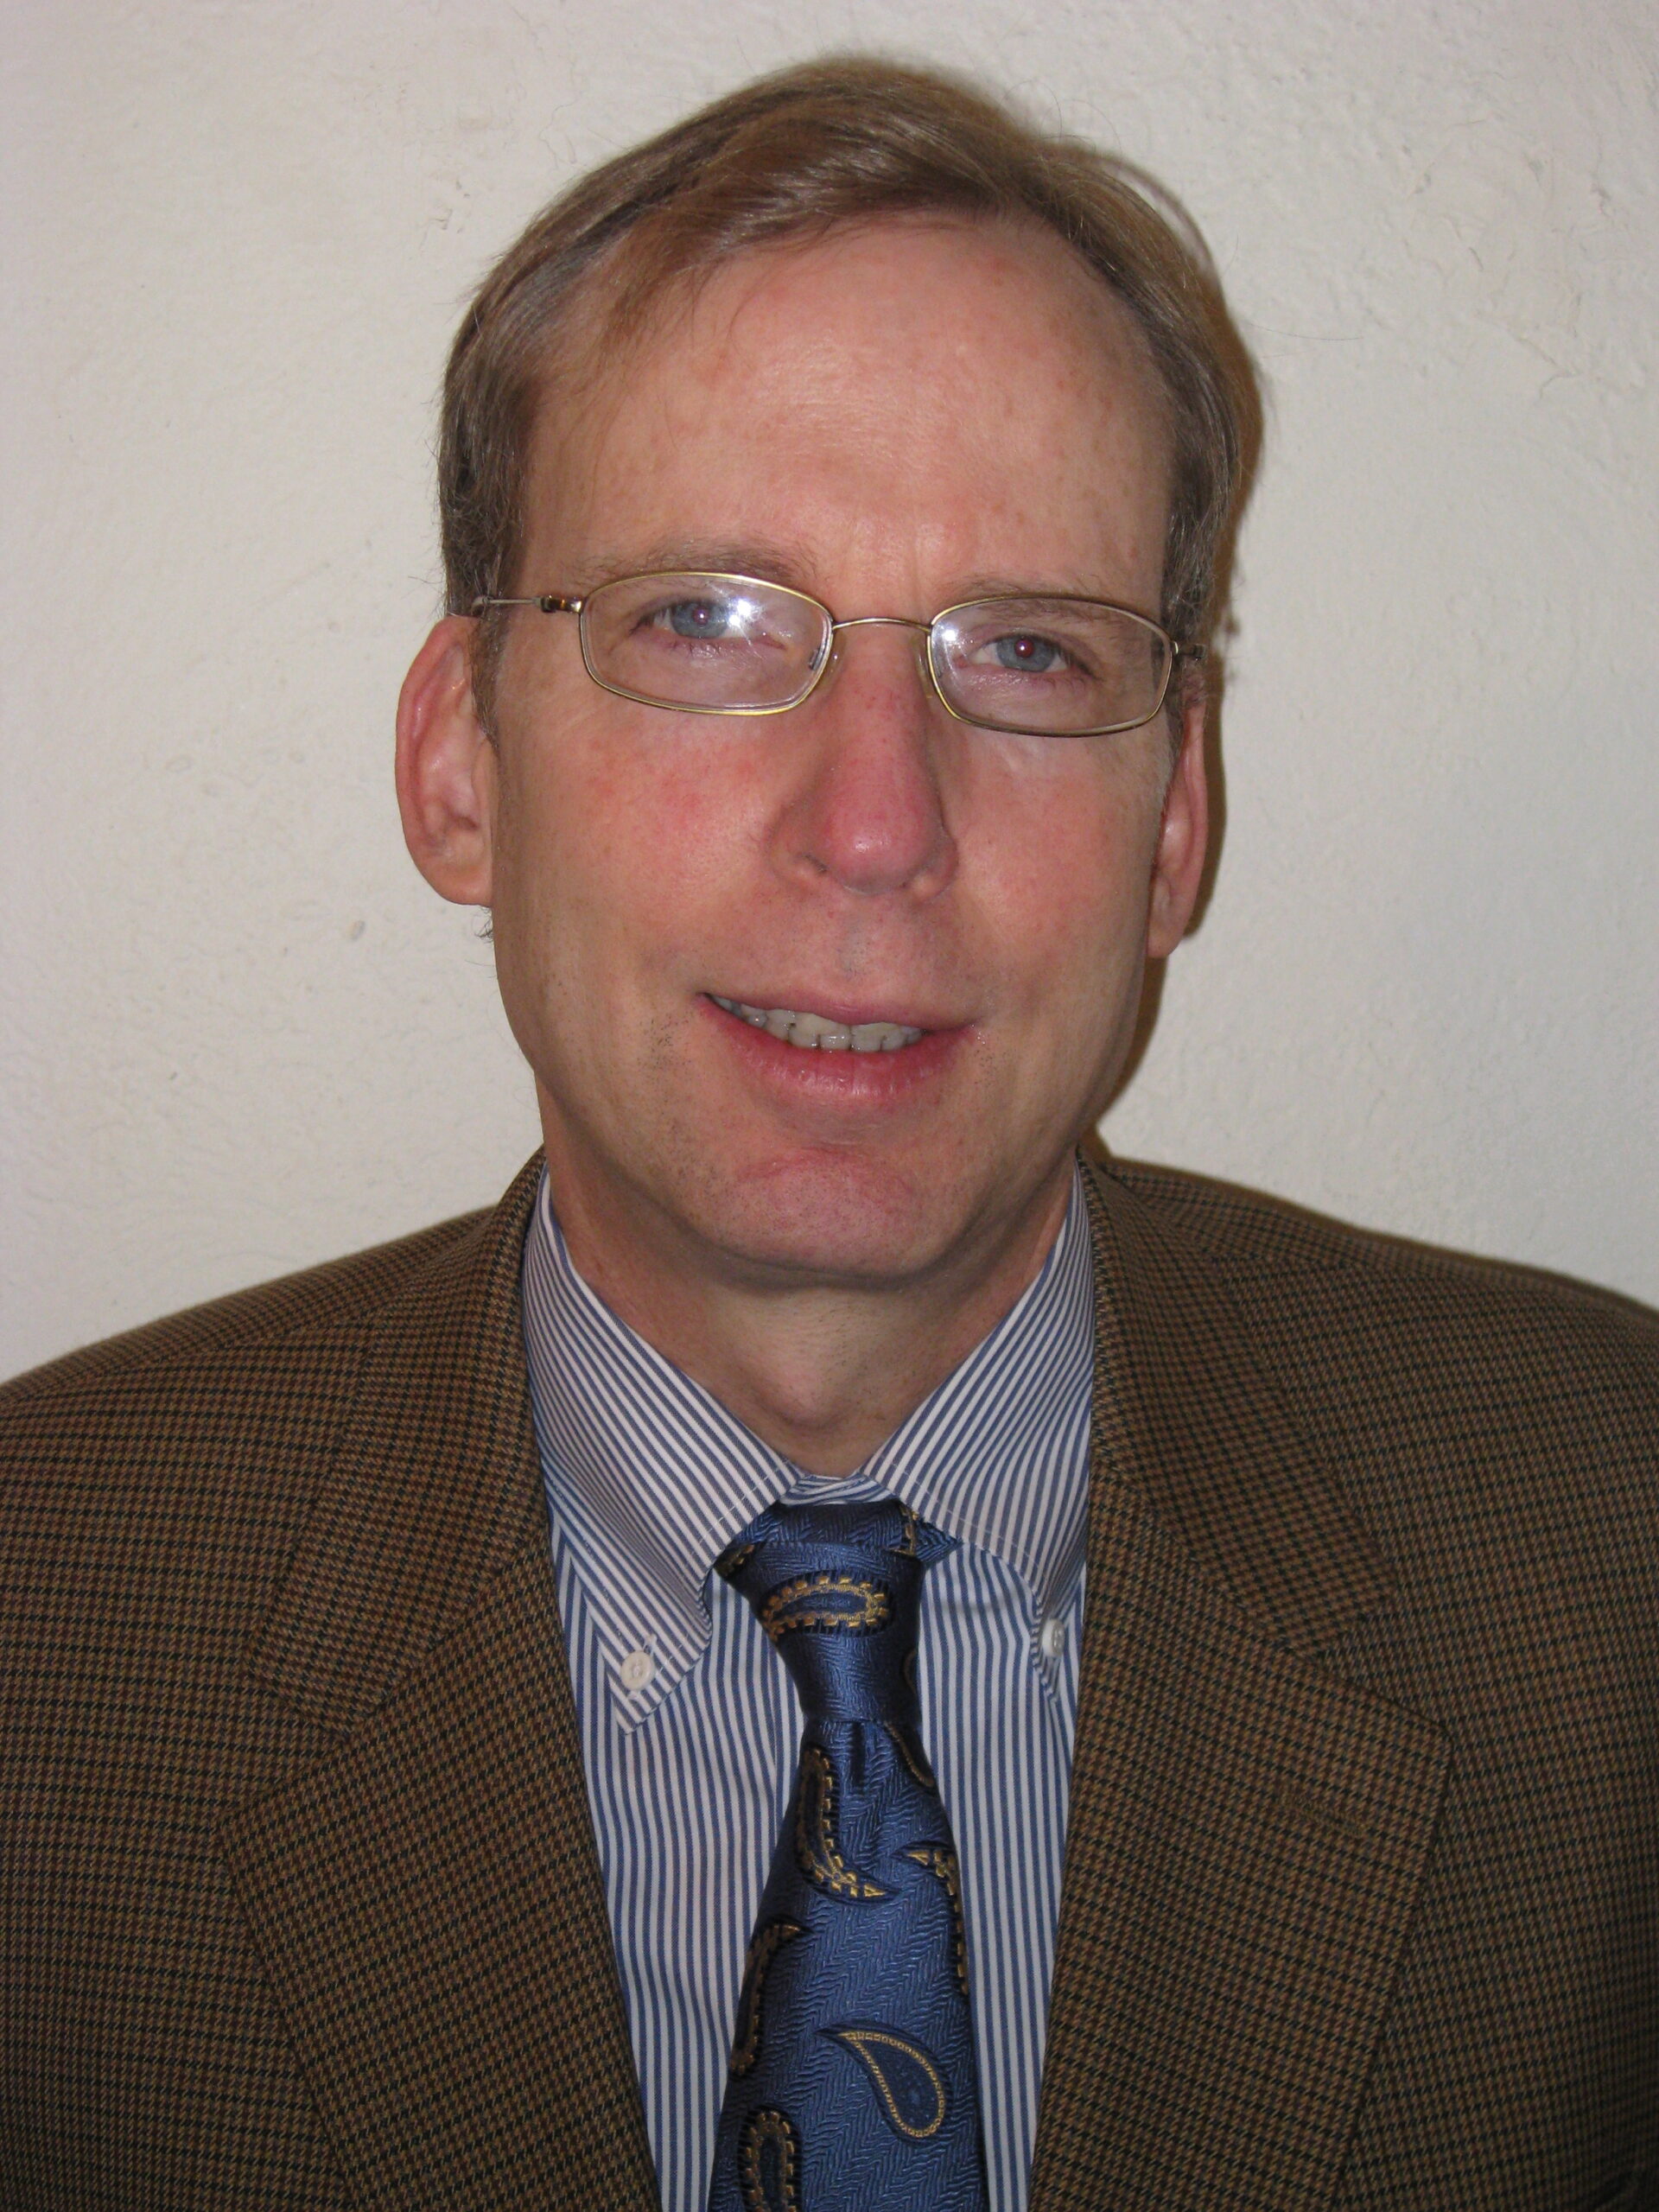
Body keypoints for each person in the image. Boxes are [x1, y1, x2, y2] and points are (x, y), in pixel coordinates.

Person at [2, 54, 1655, 2212]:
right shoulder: (44, 1635)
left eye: (1033, 655)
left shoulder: (1610, 1564)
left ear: (1177, 824)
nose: (877, 825)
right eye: (706, 622)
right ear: (458, 768)